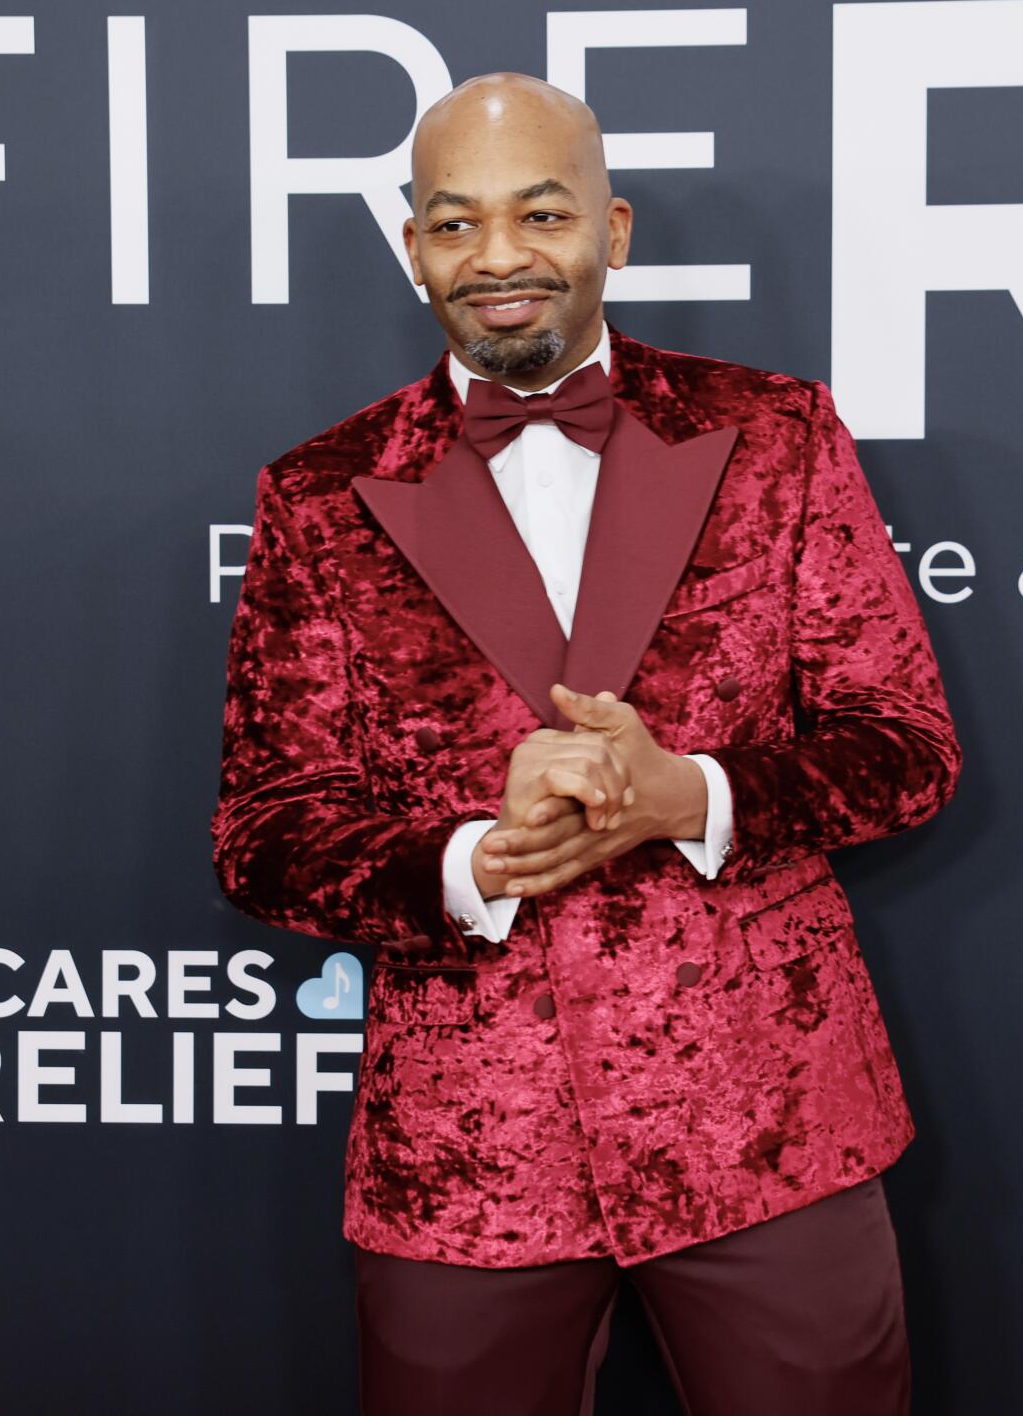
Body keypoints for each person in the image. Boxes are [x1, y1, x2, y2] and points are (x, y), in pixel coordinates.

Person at [211, 71, 963, 1416]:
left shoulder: (778, 435)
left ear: (611, 231)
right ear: (413, 249)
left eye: (539, 213)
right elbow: (269, 833)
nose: (498, 257)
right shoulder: (317, 496)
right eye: (454, 224)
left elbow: (902, 744)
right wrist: (471, 862)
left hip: (769, 1119)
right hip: (464, 1150)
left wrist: (695, 793)